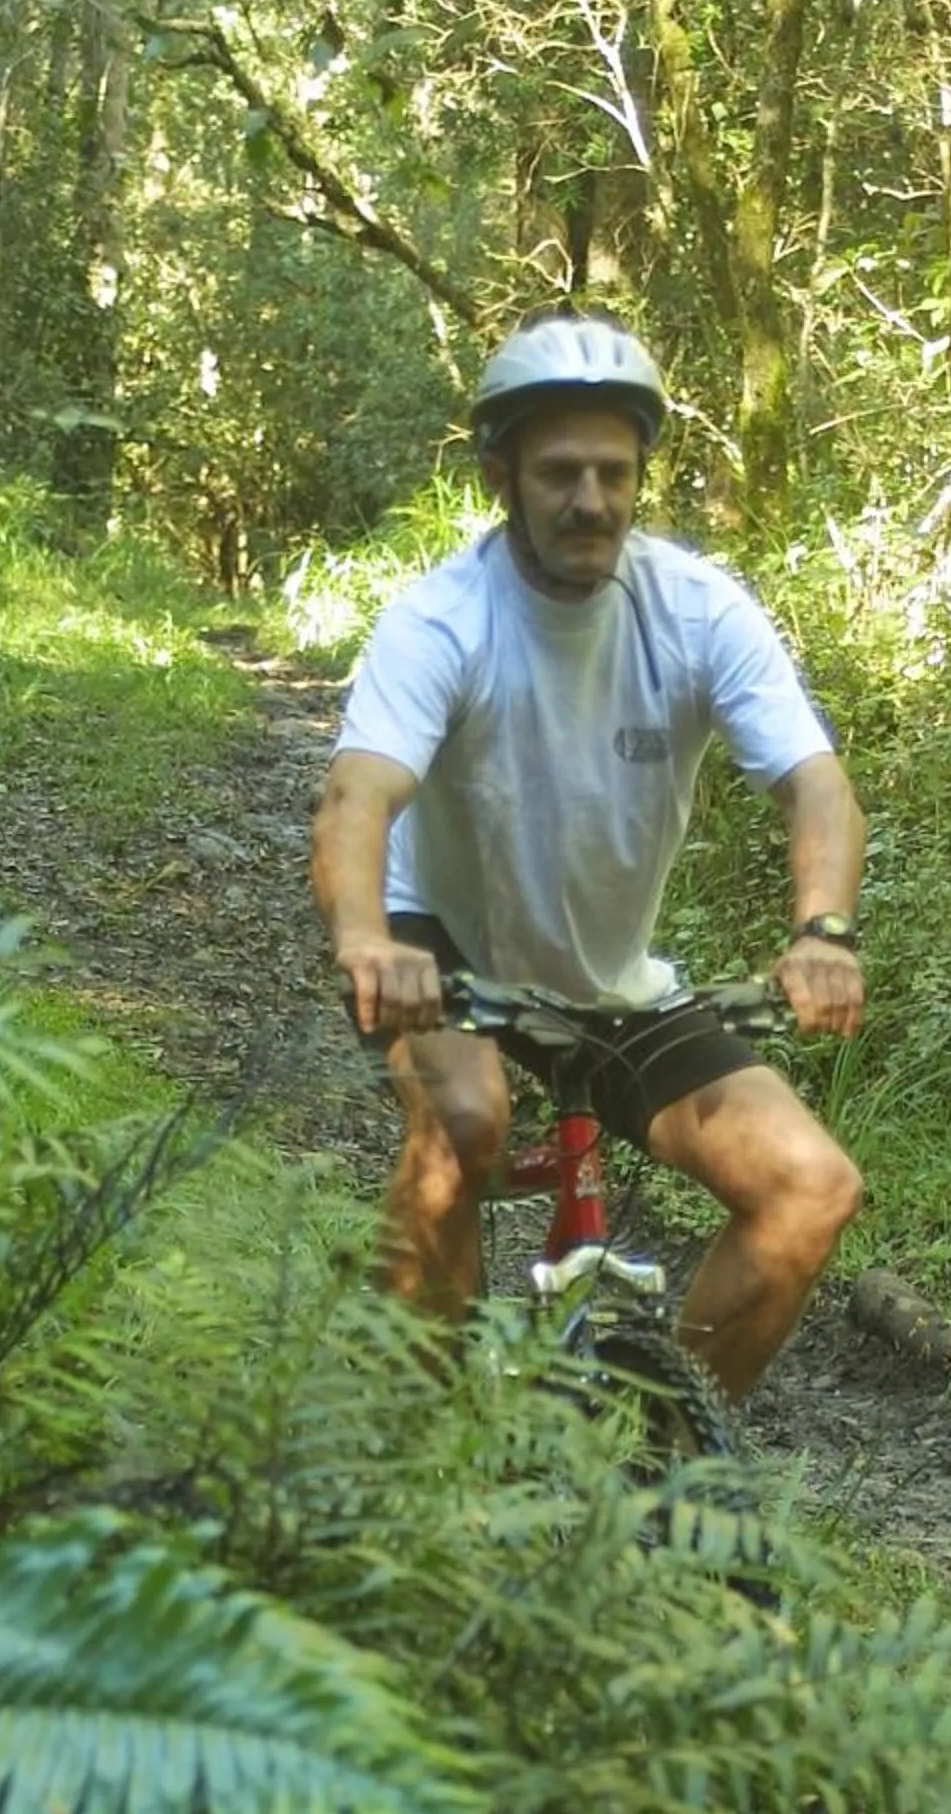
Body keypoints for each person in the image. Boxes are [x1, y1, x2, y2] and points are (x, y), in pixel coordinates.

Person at [308, 306, 866, 1401]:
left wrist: (822, 933)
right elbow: (354, 797)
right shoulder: (443, 619)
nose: (589, 500)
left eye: (613, 472)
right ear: (499, 478)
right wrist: (369, 940)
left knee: (810, 1184)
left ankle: (645, 1458)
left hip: (608, 977)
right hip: (442, 941)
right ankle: (407, 1454)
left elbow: (817, 785)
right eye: (558, 472)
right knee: (464, 1126)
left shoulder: (697, 611)